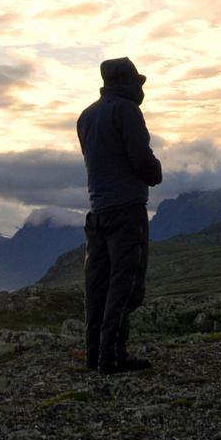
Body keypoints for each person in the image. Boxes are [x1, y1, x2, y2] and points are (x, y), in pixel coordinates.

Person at [76, 56, 162, 374]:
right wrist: (156, 172)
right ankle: (111, 357)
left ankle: (95, 353)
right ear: (129, 82)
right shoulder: (126, 110)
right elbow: (141, 159)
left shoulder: (86, 116)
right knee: (126, 284)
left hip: (97, 213)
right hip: (127, 211)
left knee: (98, 286)